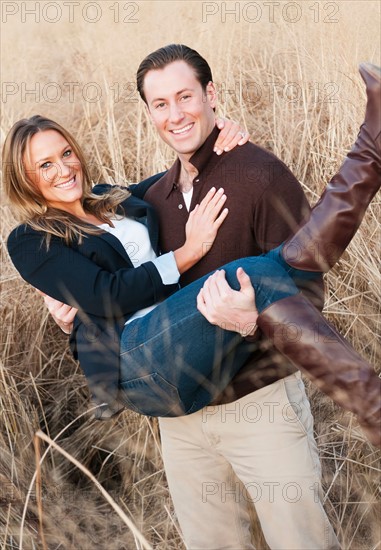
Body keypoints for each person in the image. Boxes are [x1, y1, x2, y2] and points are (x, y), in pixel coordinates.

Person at [5, 48, 380, 548]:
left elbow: (306, 286)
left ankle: (370, 155)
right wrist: (183, 256)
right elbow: (105, 293)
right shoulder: (35, 237)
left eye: (185, 97)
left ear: (212, 97)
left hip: (255, 402)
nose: (174, 114)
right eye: (160, 103)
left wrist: (251, 321)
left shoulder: (152, 195)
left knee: (302, 542)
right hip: (157, 382)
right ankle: (371, 155)